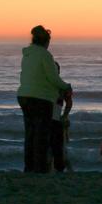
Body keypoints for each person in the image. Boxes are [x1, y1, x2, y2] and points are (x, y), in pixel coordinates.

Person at [16, 25, 71, 174]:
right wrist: (67, 86)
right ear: (46, 42)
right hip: (40, 99)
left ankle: (29, 167)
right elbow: (53, 78)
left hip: (24, 96)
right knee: (41, 136)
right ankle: (40, 169)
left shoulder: (27, 55)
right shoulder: (45, 55)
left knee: (30, 134)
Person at [50, 62, 73, 172]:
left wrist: (65, 116)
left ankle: (61, 169)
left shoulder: (62, 87)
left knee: (60, 147)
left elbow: (69, 103)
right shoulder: (47, 86)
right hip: (48, 119)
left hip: (57, 119)